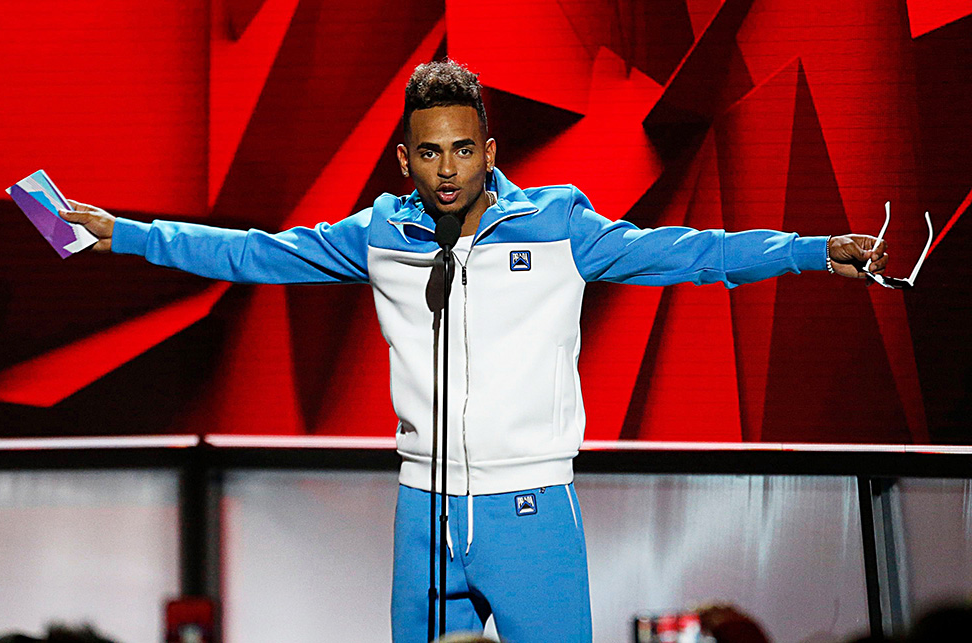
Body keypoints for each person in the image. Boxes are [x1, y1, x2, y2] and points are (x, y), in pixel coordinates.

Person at [59, 59, 888, 643]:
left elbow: (693, 252)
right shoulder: (378, 233)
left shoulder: (559, 224)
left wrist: (813, 250)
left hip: (530, 510)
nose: (448, 169)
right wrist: (124, 235)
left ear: (491, 152)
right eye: (429, 152)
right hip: (421, 511)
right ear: (404, 160)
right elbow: (251, 254)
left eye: (463, 149)